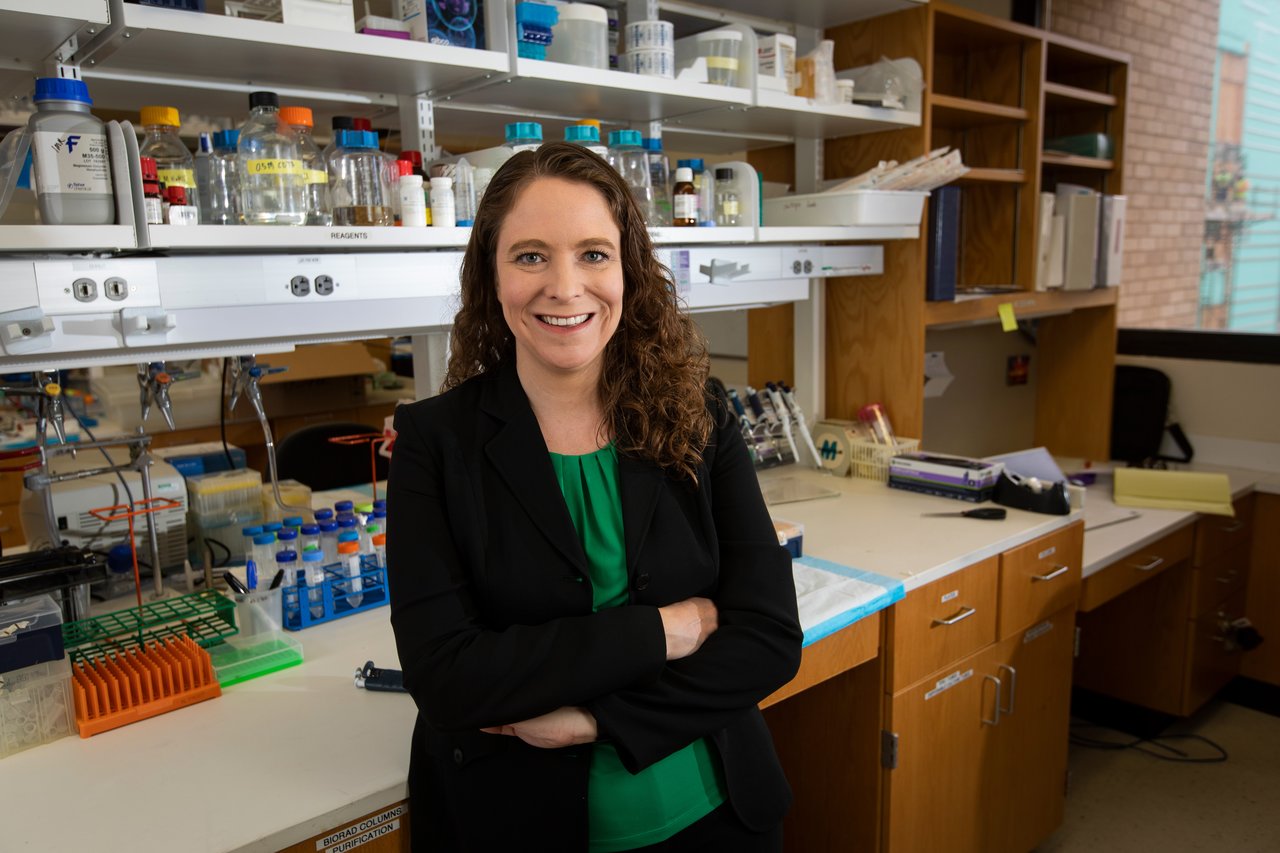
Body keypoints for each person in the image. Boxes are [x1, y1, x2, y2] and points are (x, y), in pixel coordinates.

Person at [386, 141, 802, 852]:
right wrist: (668, 629)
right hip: (519, 825)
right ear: (491, 274)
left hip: (717, 816)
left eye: (593, 254)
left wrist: (597, 718)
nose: (565, 286)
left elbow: (767, 638)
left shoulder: (698, 411)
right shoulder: (434, 442)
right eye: (530, 256)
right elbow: (449, 676)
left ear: (629, 270)